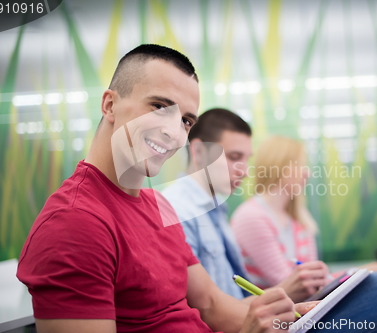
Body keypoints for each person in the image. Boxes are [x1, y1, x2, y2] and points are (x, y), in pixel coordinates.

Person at [16, 44, 311, 333]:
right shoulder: (74, 223)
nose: (173, 132)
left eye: (185, 121)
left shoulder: (159, 206)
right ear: (109, 105)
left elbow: (212, 306)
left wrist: (298, 315)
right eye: (159, 107)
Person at [162, 109, 331, 303]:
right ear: (199, 151)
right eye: (234, 157)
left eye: (246, 159)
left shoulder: (216, 212)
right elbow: (208, 311)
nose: (246, 172)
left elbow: (234, 300)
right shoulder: (178, 211)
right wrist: (287, 291)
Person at [230, 136, 377, 289]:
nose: (307, 174)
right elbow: (294, 286)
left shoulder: (299, 217)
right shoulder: (250, 217)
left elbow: (315, 281)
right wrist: (357, 273)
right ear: (279, 167)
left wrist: (357, 274)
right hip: (280, 312)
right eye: (301, 166)